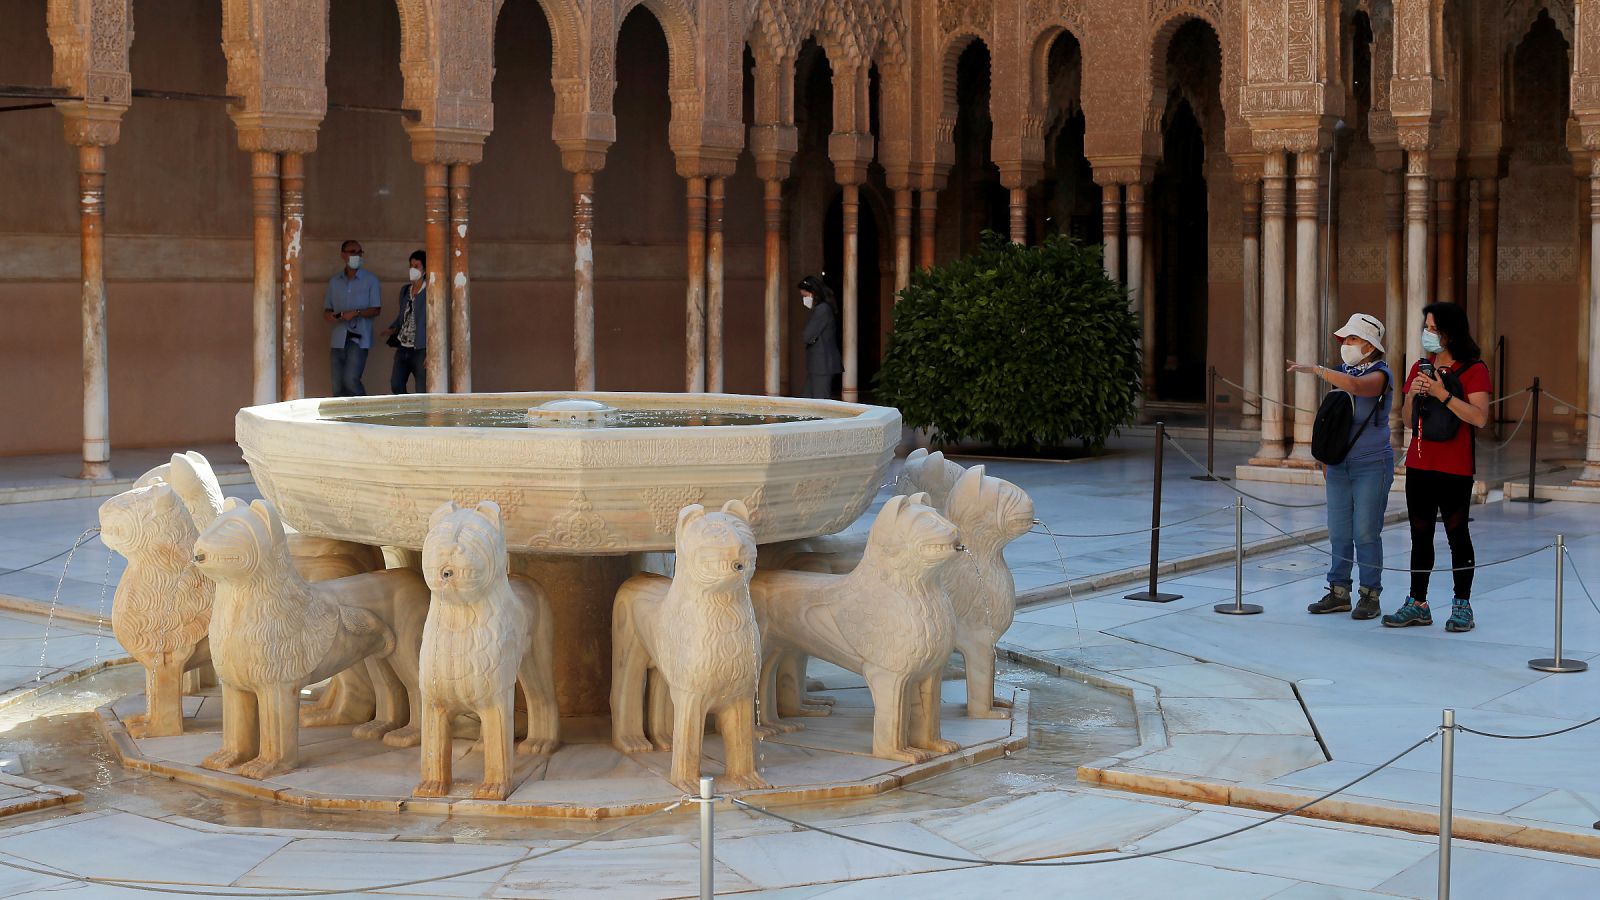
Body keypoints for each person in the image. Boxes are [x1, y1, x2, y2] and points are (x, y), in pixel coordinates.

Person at [1383, 302, 1491, 633]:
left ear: (1450, 331)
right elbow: (1405, 419)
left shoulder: (1474, 369)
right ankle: (1417, 603)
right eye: (1426, 327)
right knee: (1420, 533)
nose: (1427, 334)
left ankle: (1462, 604)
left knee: (1457, 533)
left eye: (1433, 328)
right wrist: (1413, 396)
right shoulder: (1420, 366)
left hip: (1455, 466)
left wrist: (1443, 394)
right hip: (1420, 462)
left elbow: (1479, 418)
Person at [1288, 314, 1394, 620]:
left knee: (1366, 532)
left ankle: (1370, 595)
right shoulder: (1339, 373)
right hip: (1338, 465)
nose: (1346, 344)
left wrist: (1318, 370)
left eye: (1353, 339)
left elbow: (1359, 388)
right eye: (1345, 339)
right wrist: (1324, 458)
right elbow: (1331, 420)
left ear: (1370, 346)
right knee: (1339, 532)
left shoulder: (1381, 374)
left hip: (1372, 465)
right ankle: (1338, 592)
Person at [323, 239, 382, 397]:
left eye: (359, 252)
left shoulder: (370, 280)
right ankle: (341, 420)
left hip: (359, 338)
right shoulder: (335, 282)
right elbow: (327, 310)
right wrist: (332, 316)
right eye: (352, 252)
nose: (356, 255)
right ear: (343, 255)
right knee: (337, 385)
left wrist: (356, 312)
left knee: (351, 380)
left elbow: (376, 309)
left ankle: (364, 416)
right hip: (338, 338)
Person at [381, 249, 427, 393]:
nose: (413, 269)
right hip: (403, 346)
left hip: (421, 348)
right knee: (396, 384)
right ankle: (406, 413)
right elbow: (403, 315)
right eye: (411, 266)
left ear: (425, 269)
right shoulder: (405, 291)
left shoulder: (430, 291)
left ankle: (422, 415)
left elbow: (434, 323)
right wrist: (393, 328)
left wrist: (432, 353)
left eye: (417, 266)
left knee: (422, 388)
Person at [798, 275, 842, 399]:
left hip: (822, 364)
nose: (805, 299)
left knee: (820, 401)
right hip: (818, 365)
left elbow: (807, 335)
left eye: (805, 296)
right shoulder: (823, 308)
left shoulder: (822, 309)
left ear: (813, 293)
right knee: (807, 400)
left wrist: (811, 338)